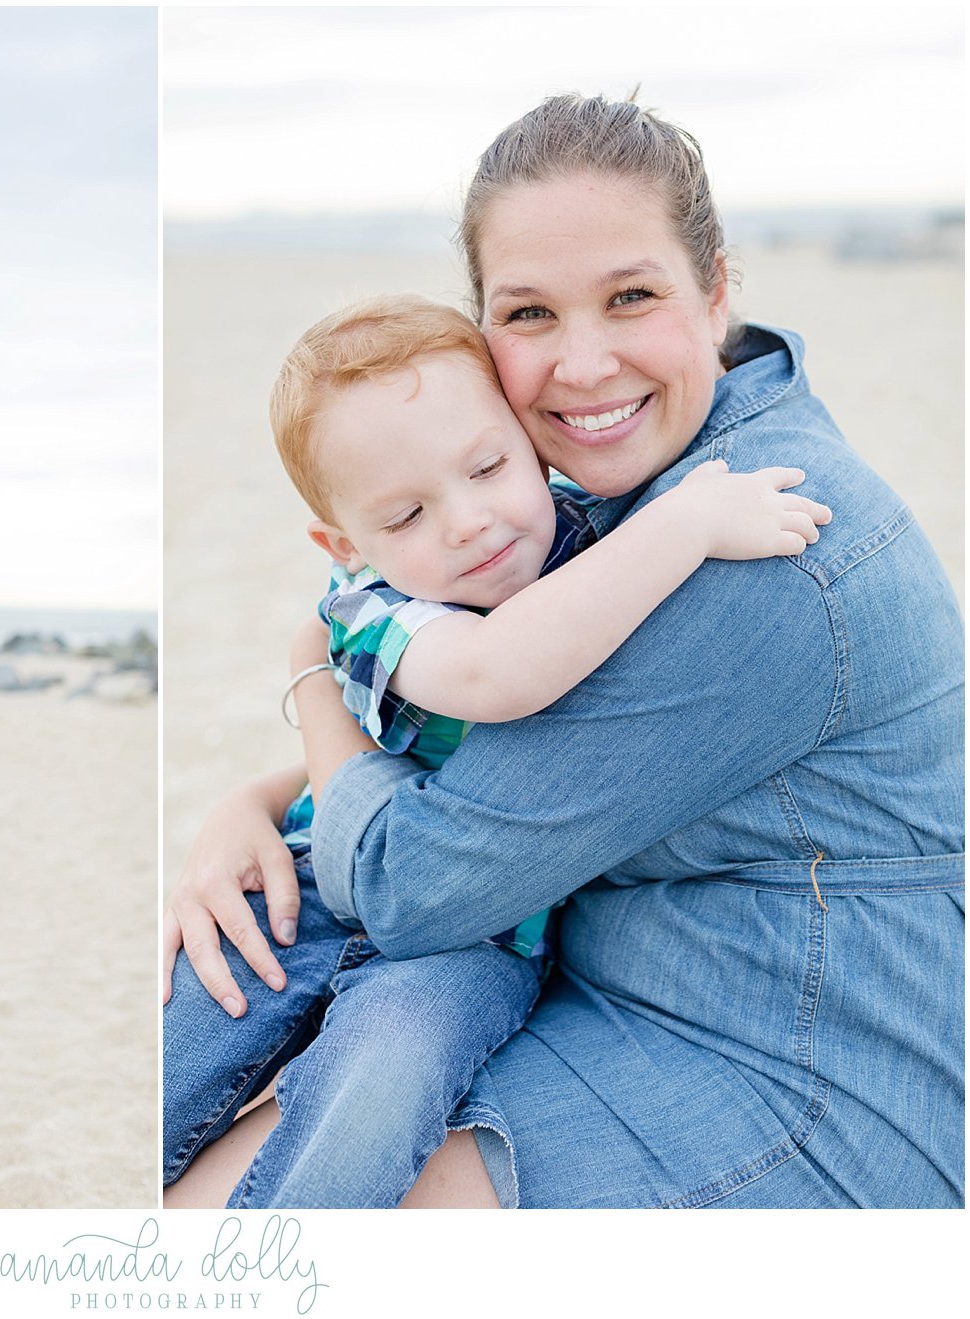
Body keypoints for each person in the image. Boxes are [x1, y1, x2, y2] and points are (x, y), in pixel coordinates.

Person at [164, 94, 964, 1208]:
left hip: (800, 1094)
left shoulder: (753, 534)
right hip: (621, 1012)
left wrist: (312, 676)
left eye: (630, 296)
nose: (582, 365)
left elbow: (415, 886)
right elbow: (505, 746)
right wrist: (247, 802)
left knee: (220, 1216)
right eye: (529, 313)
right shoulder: (620, 499)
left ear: (717, 288)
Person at [164, 294, 831, 1206]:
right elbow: (490, 678)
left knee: (377, 1095)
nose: (467, 521)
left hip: (481, 940)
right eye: (403, 516)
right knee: (173, 1050)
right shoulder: (372, 607)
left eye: (486, 466)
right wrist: (684, 525)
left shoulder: (579, 543)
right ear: (342, 543)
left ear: (529, 443)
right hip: (311, 891)